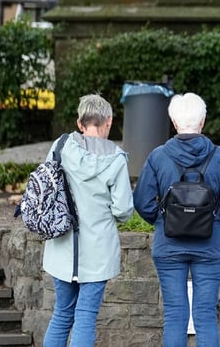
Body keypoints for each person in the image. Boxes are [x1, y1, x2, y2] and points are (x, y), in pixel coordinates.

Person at [133, 92, 220, 347]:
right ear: (203, 121)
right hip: (210, 246)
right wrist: (217, 220)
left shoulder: (158, 156)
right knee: (205, 316)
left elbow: (141, 201)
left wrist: (161, 220)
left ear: (173, 123)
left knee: (174, 315)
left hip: (168, 246)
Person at [42, 94, 134, 347]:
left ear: (80, 123)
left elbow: (46, 188)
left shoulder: (59, 146)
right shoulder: (116, 159)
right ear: (108, 121)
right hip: (97, 253)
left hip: (61, 248)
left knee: (61, 314)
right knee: (85, 317)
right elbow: (124, 210)